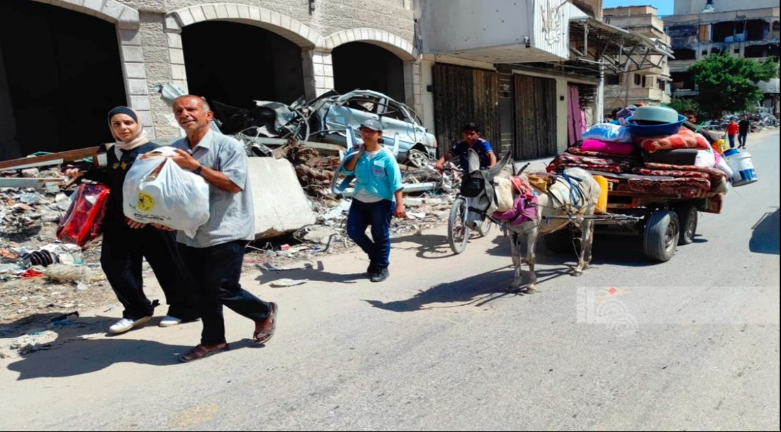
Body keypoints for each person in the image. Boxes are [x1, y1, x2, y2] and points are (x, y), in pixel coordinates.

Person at [162, 95, 277, 362]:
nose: (185, 114)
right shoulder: (174, 149)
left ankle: (263, 312)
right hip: (189, 232)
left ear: (208, 116)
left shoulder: (228, 146)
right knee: (201, 291)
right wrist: (162, 217)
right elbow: (167, 190)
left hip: (226, 227)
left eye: (191, 109)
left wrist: (196, 167)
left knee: (222, 287)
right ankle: (213, 341)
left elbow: (234, 185)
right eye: (178, 110)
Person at [64, 107, 198, 334]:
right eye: (116, 124)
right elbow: (114, 178)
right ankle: (137, 310)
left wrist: (145, 215)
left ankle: (184, 309)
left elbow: (165, 186)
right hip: (120, 220)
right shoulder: (113, 153)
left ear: (138, 124)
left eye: (128, 122)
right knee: (114, 264)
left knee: (169, 264)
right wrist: (81, 172)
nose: (123, 128)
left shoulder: (154, 151)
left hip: (154, 220)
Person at [343, 119, 406, 282]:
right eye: (364, 131)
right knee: (354, 231)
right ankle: (376, 258)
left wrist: (400, 204)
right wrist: (357, 154)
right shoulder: (356, 151)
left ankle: (381, 267)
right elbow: (346, 170)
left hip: (381, 201)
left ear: (379, 135)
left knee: (380, 234)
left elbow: (396, 182)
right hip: (359, 200)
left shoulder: (387, 156)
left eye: (371, 131)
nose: (366, 134)